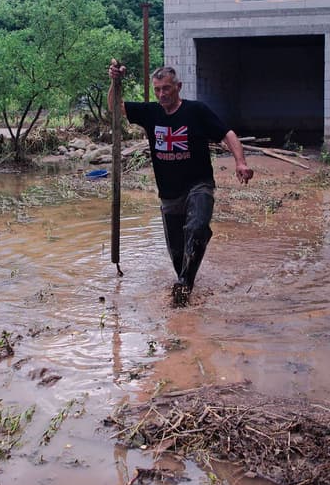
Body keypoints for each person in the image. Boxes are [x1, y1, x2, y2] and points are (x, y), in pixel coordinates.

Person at [108, 60, 253, 305]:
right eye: (158, 90)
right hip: (169, 194)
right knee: (177, 254)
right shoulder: (150, 112)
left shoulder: (196, 111)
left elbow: (227, 133)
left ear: (178, 87)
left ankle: (184, 286)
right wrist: (115, 81)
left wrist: (240, 162)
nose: (162, 94)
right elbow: (115, 107)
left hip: (199, 185)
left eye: (166, 88)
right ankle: (185, 286)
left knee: (196, 228)